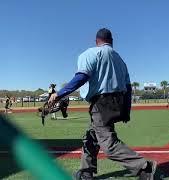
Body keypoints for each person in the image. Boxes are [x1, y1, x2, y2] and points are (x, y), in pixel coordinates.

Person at [48, 28, 157, 180]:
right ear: (111, 41)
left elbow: (81, 77)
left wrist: (59, 94)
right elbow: (129, 87)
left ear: (96, 41)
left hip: (101, 104)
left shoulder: (91, 53)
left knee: (109, 145)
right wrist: (127, 110)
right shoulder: (120, 59)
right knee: (90, 138)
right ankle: (86, 172)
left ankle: (145, 168)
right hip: (117, 102)